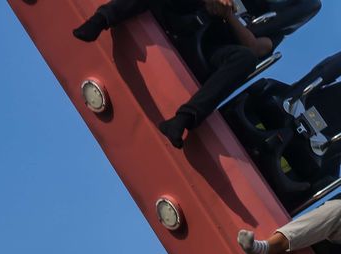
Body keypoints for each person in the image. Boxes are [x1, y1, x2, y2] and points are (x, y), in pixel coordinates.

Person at [73, 0, 278, 148]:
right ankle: (101, 20)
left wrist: (228, 15)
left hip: (205, 49)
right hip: (177, 13)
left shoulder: (268, 10)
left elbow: (260, 47)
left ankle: (184, 119)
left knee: (246, 59)